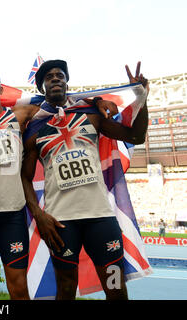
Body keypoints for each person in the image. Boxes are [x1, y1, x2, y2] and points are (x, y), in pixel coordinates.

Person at [0, 69, 117, 300]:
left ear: (0, 88)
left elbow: (60, 99)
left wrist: (97, 100)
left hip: (13, 214)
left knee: (18, 289)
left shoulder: (20, 115)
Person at [21, 59, 149, 300]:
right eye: (49, 77)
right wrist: (39, 215)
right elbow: (24, 178)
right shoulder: (35, 130)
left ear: (67, 82)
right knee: (66, 290)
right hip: (61, 223)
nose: (56, 78)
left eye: (60, 75)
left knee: (115, 287)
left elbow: (136, 135)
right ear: (42, 88)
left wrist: (142, 98)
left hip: (100, 219)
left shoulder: (90, 116)